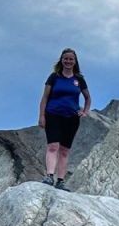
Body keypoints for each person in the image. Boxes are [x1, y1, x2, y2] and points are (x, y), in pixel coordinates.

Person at [38, 48, 91, 191]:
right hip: (53, 114)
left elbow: (87, 97)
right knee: (53, 146)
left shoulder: (79, 79)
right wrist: (41, 116)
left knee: (64, 150)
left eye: (71, 59)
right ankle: (49, 175)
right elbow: (45, 98)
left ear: (75, 61)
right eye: (65, 58)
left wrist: (85, 111)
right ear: (61, 60)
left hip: (72, 118)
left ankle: (60, 181)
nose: (68, 61)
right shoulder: (54, 77)